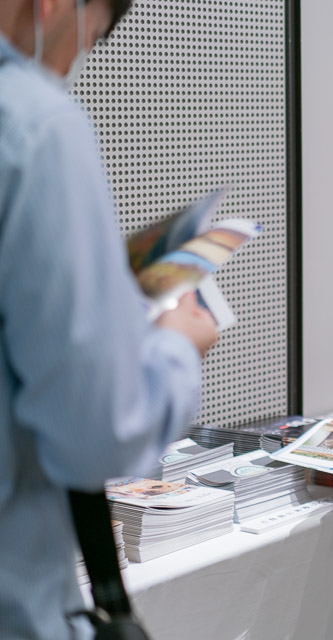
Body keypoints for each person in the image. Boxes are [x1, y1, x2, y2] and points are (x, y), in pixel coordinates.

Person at [0, 1, 219, 637]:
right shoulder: (35, 127)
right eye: (90, 38)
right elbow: (98, 431)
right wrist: (177, 348)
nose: (74, 61)